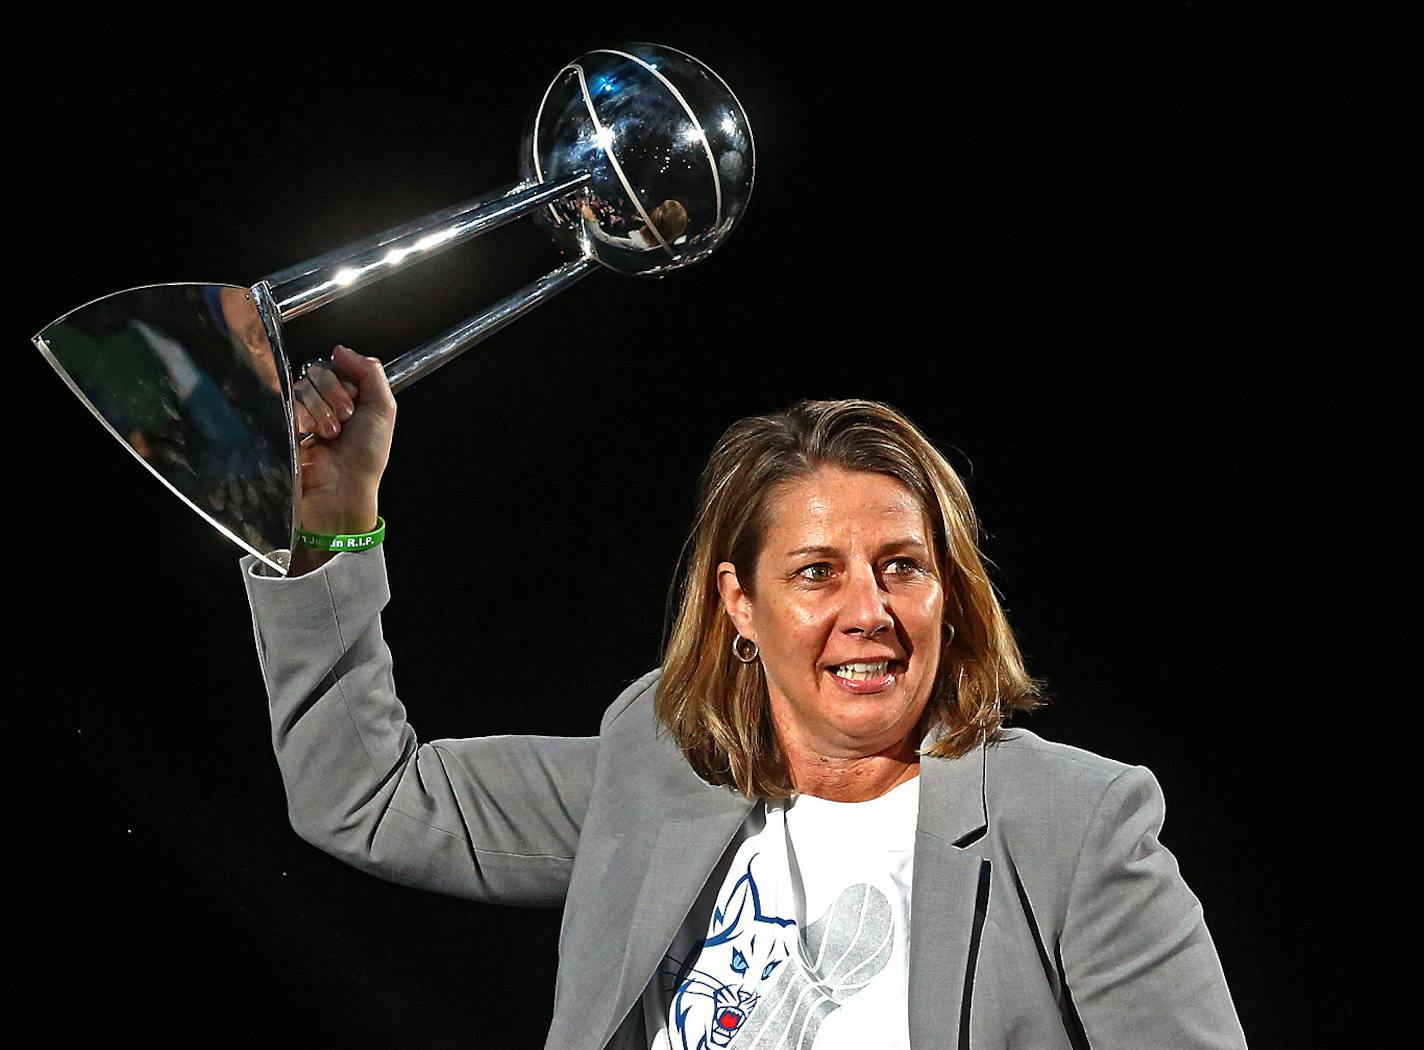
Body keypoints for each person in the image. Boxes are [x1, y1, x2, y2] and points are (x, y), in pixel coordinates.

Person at [240, 345, 1248, 1050]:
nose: (869, 611)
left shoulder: (1071, 828)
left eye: (901, 567)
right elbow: (363, 798)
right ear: (740, 606)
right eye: (816, 574)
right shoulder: (654, 769)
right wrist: (330, 527)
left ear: (950, 592)